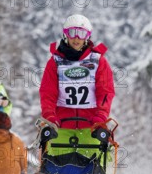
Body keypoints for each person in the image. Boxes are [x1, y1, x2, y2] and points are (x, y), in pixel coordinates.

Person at [39, 14, 115, 156]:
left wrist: (101, 116)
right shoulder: (55, 62)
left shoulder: (98, 61)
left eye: (82, 34)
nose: (77, 38)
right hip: (61, 127)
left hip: (91, 127)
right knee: (57, 168)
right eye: (72, 33)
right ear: (65, 34)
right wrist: (50, 116)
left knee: (94, 165)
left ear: (87, 36)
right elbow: (47, 93)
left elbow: (105, 92)